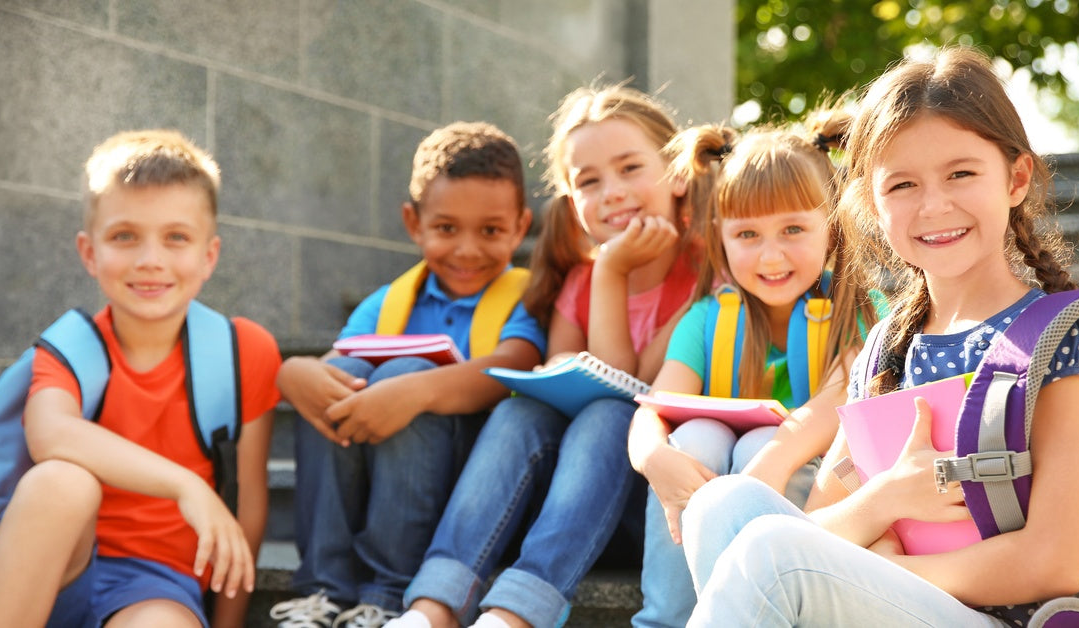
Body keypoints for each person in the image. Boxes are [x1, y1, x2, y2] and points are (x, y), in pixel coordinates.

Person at [679, 46, 1079, 627]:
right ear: (870, 205)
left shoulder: (1054, 340)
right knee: (719, 504)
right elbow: (816, 524)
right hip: (896, 605)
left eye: (961, 173)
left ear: (1016, 178)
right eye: (902, 184)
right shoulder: (887, 350)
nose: (934, 205)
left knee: (771, 554)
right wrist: (885, 502)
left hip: (1015, 619)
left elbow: (1056, 561)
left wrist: (885, 569)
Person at [386, 83, 701, 628]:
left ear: (677, 173)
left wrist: (612, 271)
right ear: (571, 201)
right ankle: (431, 606)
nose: (613, 192)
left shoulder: (707, 272)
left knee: (611, 413)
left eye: (630, 168)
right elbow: (561, 375)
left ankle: (516, 615)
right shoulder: (576, 281)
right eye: (590, 181)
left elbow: (635, 387)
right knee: (519, 409)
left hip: (645, 507)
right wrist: (599, 278)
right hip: (558, 507)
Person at [0, 129, 281, 627]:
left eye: (176, 237)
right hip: (50, 568)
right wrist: (186, 485)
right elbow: (50, 433)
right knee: (62, 481)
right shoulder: (68, 350)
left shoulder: (242, 352)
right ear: (89, 252)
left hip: (156, 583)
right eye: (125, 236)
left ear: (209, 255)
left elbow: (247, 510)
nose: (150, 259)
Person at [271, 122, 546, 627]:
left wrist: (415, 390)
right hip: (383, 468)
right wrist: (295, 372)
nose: (467, 250)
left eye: (490, 231)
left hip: (470, 480)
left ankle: (389, 593)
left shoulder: (529, 294)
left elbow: (517, 362)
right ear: (412, 222)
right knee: (340, 380)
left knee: (406, 369)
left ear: (521, 224)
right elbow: (338, 367)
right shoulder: (390, 301)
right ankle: (323, 589)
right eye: (446, 229)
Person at [627, 116, 884, 627]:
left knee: (752, 447)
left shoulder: (859, 308)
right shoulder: (706, 319)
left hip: (813, 492)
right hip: (707, 486)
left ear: (830, 229)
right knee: (692, 440)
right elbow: (653, 407)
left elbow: (839, 399)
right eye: (747, 233)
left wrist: (770, 459)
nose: (771, 255)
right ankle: (666, 620)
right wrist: (653, 456)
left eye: (793, 229)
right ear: (719, 238)